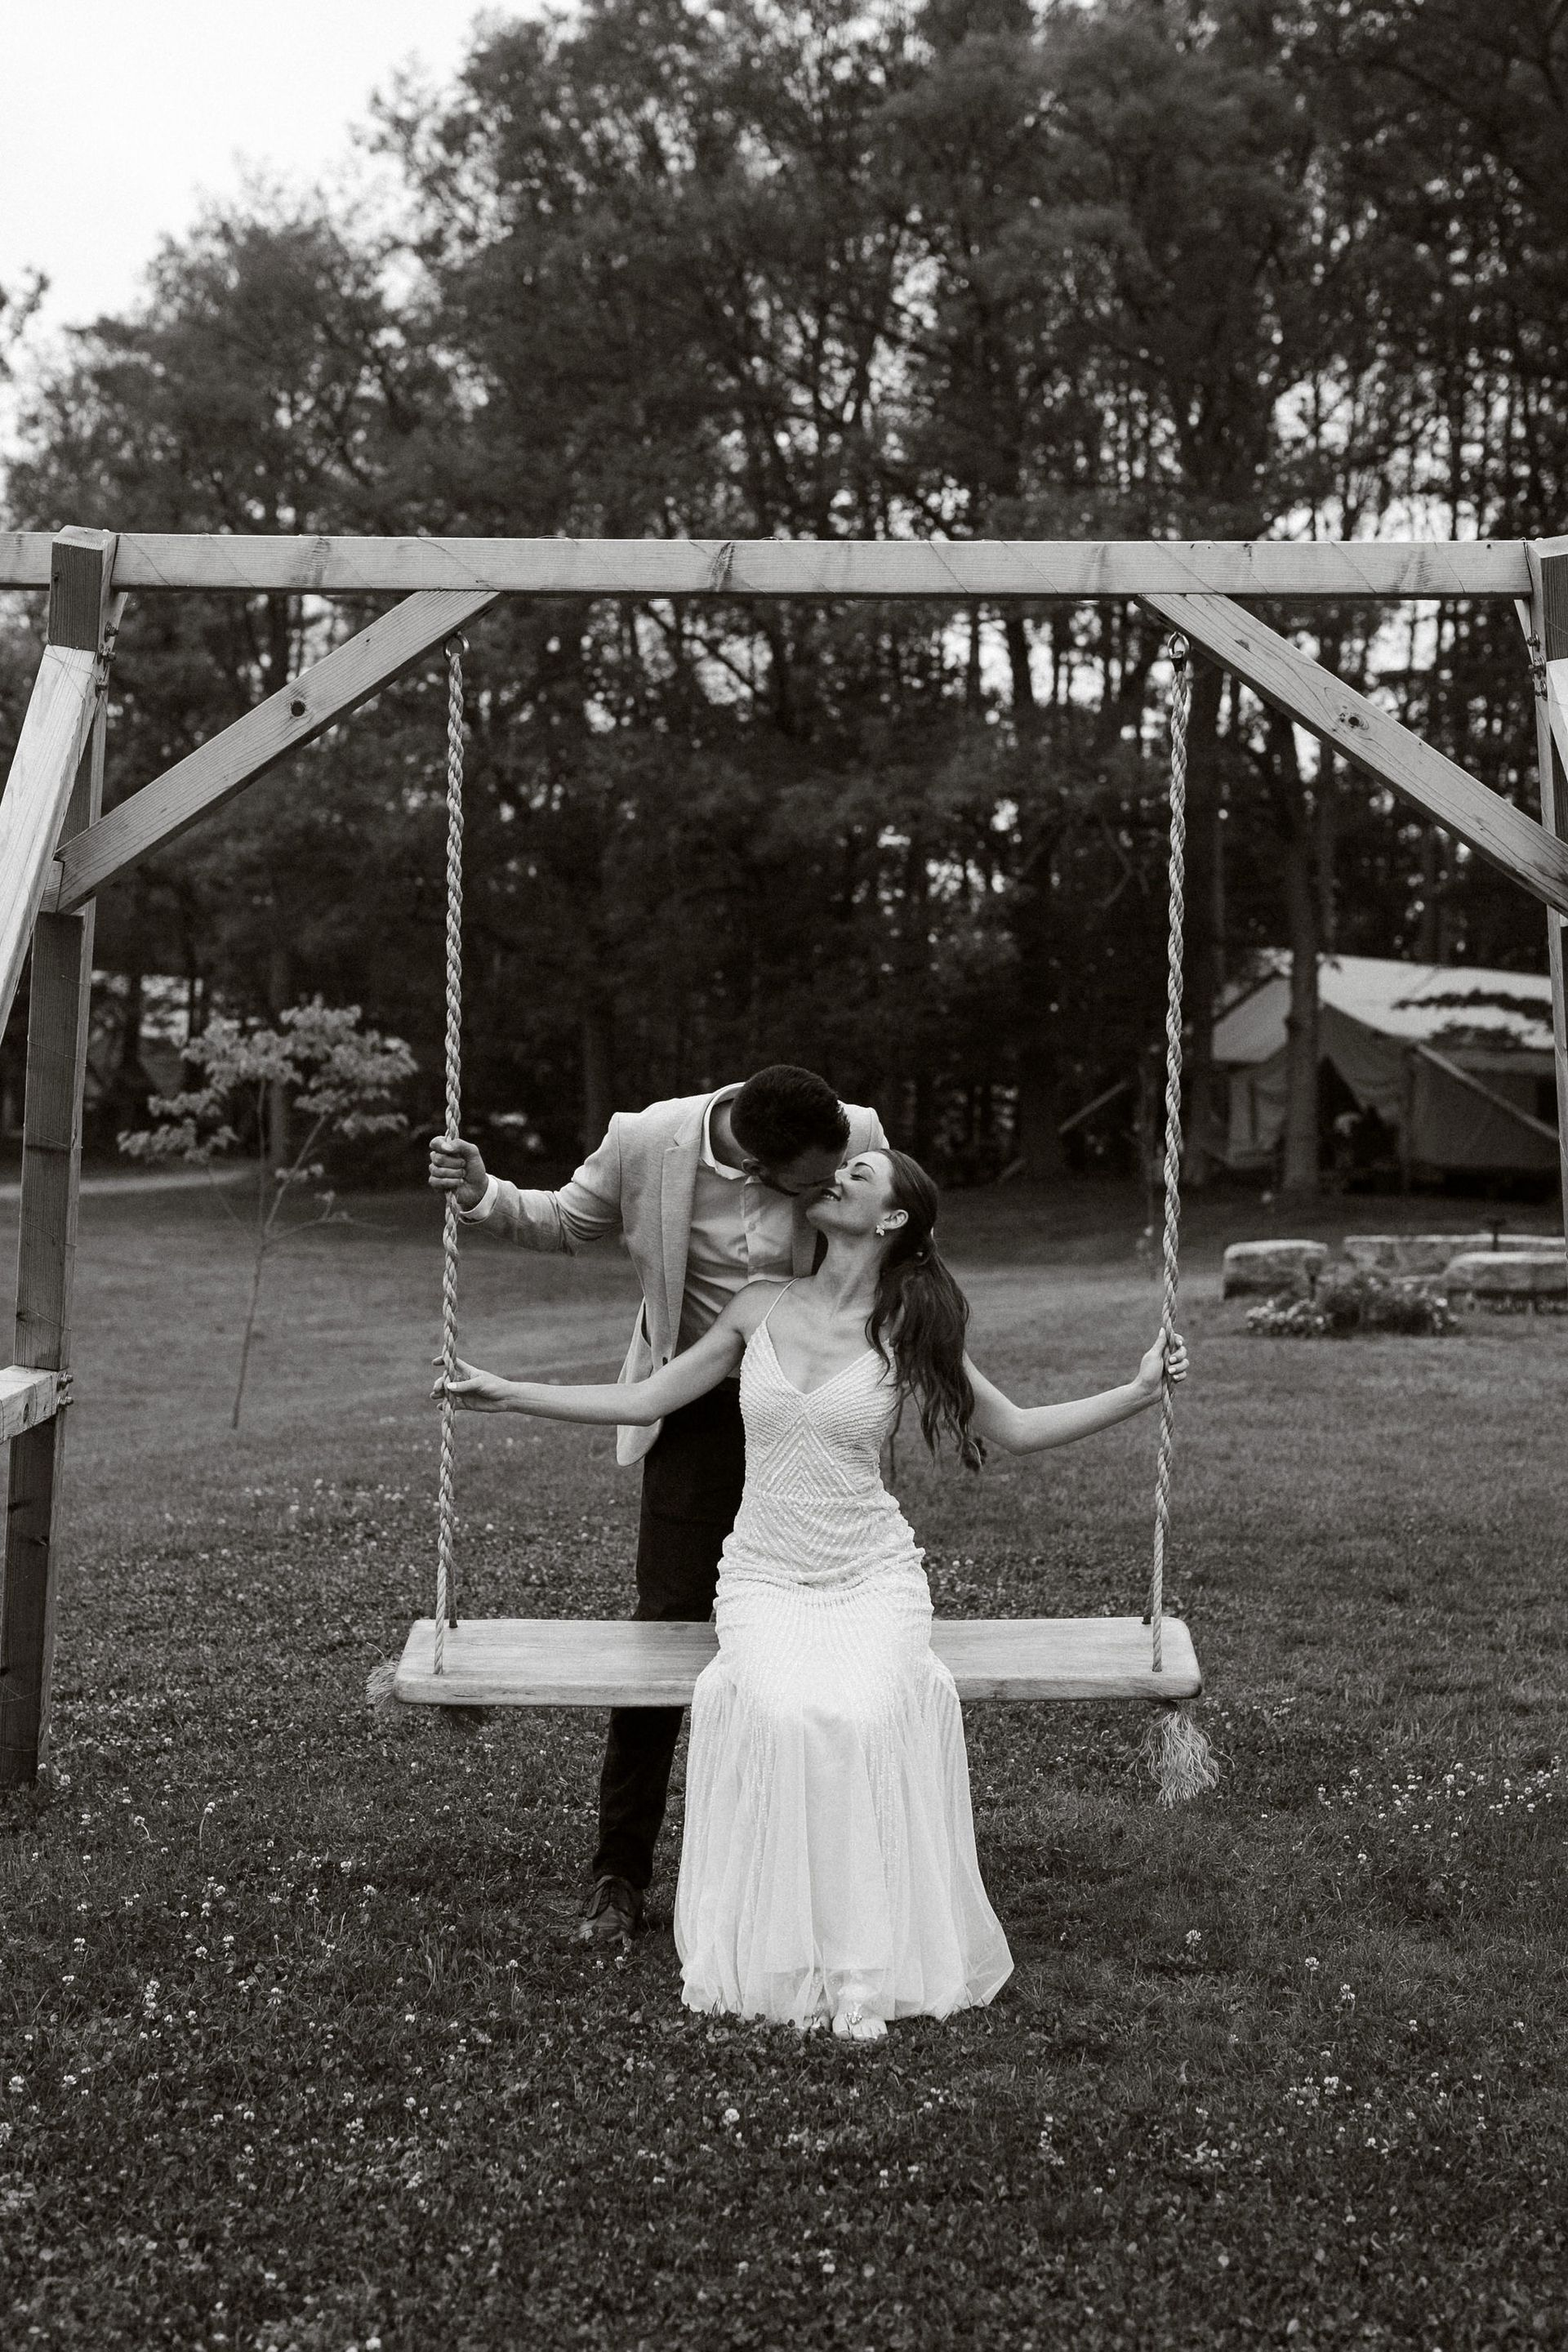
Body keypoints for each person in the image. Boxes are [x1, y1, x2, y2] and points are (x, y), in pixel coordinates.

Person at [439, 1146, 1189, 2040]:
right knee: (783, 1711)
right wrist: (507, 1392)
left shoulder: (911, 1323)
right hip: (762, 1577)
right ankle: (787, 1944)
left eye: (862, 1173)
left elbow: (1018, 1429)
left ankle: (863, 1962)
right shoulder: (759, 1306)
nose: (838, 1174)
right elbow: (646, 1404)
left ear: (892, 1220)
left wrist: (1142, 1394)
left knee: (866, 1715)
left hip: (871, 1576)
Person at [428, 1067, 887, 1944]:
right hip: (691, 1402)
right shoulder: (646, 1140)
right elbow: (565, 1222)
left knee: (820, 1623)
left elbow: (894, 1243)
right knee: (665, 1629)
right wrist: (485, 1192)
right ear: (756, 1168)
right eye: (811, 1185)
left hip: (810, 1403)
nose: (831, 1188)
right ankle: (619, 1872)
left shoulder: (852, 1130)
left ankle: (820, 1864)